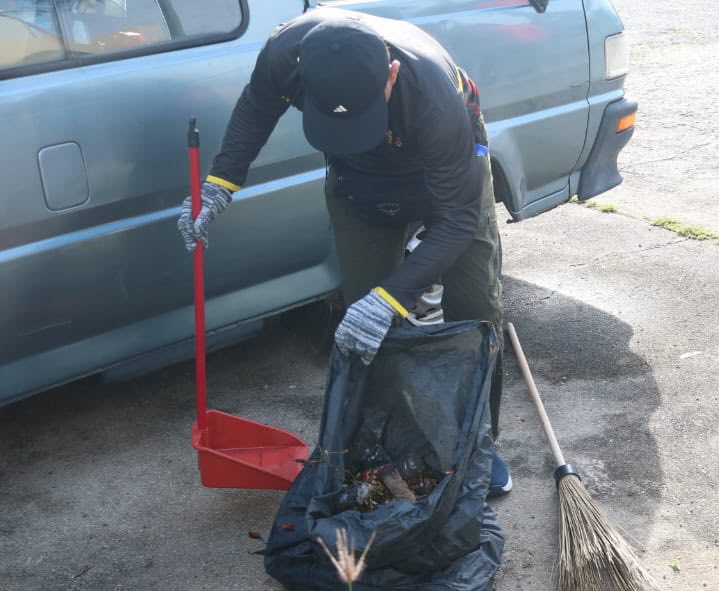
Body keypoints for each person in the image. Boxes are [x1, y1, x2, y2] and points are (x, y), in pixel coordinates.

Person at [176, 8, 512, 495]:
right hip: (358, 183)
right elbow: (256, 107)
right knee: (364, 320)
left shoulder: (435, 95)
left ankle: (477, 444)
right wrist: (219, 186)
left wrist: (394, 294)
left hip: (446, 179)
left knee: (475, 309)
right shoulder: (284, 56)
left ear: (391, 75)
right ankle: (391, 442)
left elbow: (457, 219)